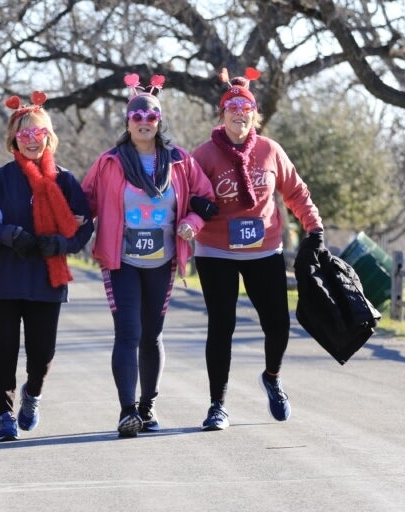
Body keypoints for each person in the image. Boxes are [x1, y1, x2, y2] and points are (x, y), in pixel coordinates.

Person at [81, 74, 216, 438]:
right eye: (137, 116)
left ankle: (147, 406)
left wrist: (191, 221)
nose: (144, 121)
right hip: (120, 259)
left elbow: (206, 200)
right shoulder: (109, 161)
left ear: (159, 122)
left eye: (151, 116)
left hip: (163, 259)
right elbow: (83, 201)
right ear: (128, 121)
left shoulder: (181, 162)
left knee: (152, 334)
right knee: (128, 332)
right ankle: (128, 412)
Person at [191, 68, 324, 431]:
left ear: (254, 114)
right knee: (222, 326)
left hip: (263, 248)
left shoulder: (270, 151)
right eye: (231, 107)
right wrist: (195, 206)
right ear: (222, 114)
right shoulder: (203, 155)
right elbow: (185, 194)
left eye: (245, 107)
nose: (239, 112)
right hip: (216, 250)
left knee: (278, 324)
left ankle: (272, 376)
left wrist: (314, 227)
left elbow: (295, 192)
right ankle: (217, 405)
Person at [0, 91, 94, 441]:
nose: (32, 141)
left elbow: (84, 224)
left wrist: (63, 244)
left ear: (48, 137)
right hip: (3, 280)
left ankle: (32, 394)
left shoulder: (65, 181)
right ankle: (4, 416)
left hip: (45, 280)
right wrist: (9, 234)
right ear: (14, 140)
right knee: (4, 349)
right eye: (24, 135)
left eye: (38, 134)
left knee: (42, 353)